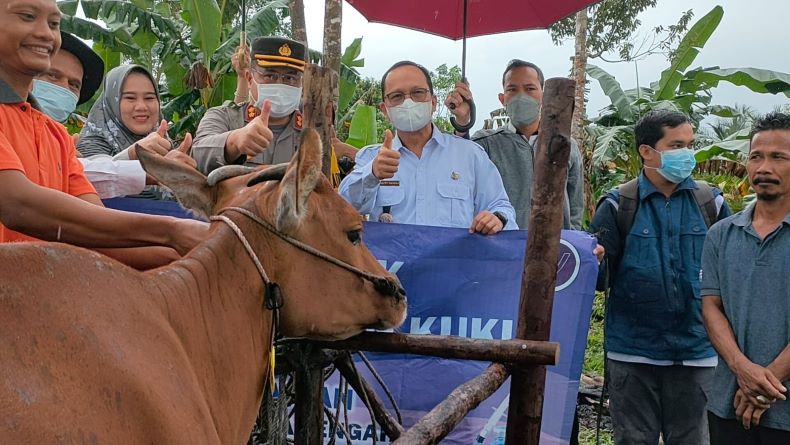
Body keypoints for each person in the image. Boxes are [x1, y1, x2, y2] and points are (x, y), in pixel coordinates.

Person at [0, 0, 205, 267]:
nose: (45, 34)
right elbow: (18, 204)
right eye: (27, 16)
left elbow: (95, 231)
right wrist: (172, 231)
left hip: (44, 296)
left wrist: (195, 257)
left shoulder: (56, 136)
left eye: (54, 24)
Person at [589, 109, 732, 444]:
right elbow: (599, 281)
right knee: (634, 439)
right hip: (633, 353)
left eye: (690, 144)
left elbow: (730, 275)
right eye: (677, 145)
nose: (687, 154)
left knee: (694, 439)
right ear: (646, 151)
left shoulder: (712, 203)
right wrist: (594, 263)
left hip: (698, 351)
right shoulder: (617, 205)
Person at [339, 60, 517, 234]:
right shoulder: (371, 158)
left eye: (417, 93)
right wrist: (372, 173)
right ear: (385, 110)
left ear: (433, 102)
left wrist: (496, 219)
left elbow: (501, 207)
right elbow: (342, 206)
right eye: (397, 96)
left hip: (452, 263)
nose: (408, 103)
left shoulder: (470, 155)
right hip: (390, 265)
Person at [701, 111, 790, 443]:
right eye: (756, 157)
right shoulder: (721, 234)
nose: (764, 168)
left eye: (778, 157)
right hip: (729, 402)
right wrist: (742, 370)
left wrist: (763, 386)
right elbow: (711, 307)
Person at [31, 31, 182, 199]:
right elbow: (90, 182)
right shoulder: (90, 144)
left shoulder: (61, 141)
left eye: (74, 84)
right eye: (52, 75)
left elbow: (79, 181)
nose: (141, 106)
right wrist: (136, 159)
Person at [445, 59, 584, 230]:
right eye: (512, 89)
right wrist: (463, 121)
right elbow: (458, 166)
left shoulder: (565, 145)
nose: (521, 96)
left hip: (553, 250)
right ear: (502, 98)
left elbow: (575, 209)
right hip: (500, 250)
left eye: (530, 88)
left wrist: (574, 246)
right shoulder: (486, 143)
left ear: (543, 94)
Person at [77, 64, 194, 199]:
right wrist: (132, 155)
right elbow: (97, 178)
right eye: (130, 98)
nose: (141, 107)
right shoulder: (91, 143)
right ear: (112, 102)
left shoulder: (163, 144)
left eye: (149, 98)